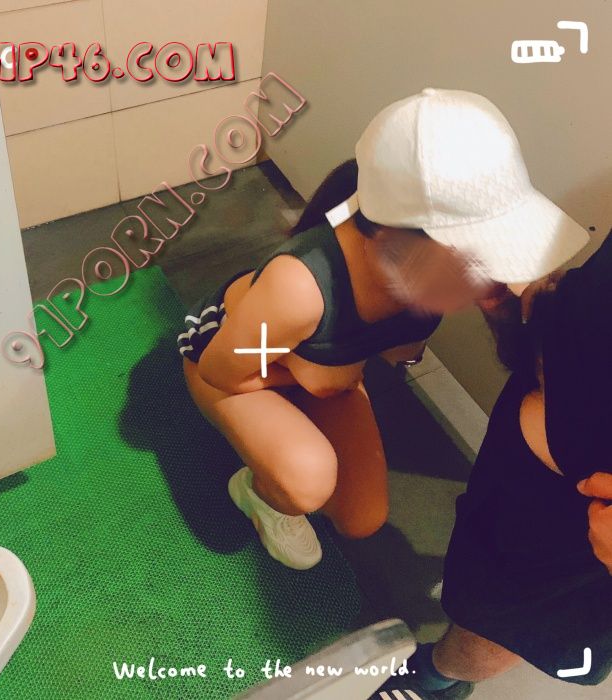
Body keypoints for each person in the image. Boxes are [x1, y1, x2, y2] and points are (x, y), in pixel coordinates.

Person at [178, 88, 502, 570]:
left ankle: (290, 430)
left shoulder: (426, 278)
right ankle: (258, 492)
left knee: (362, 518)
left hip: (322, 365)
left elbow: (396, 349)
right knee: (306, 478)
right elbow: (219, 370)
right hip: (231, 360)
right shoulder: (299, 289)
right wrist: (309, 373)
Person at [372, 125, 612, 699]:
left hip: (581, 523)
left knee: (505, 622)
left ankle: (434, 677)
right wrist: (524, 325)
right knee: (485, 593)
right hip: (532, 470)